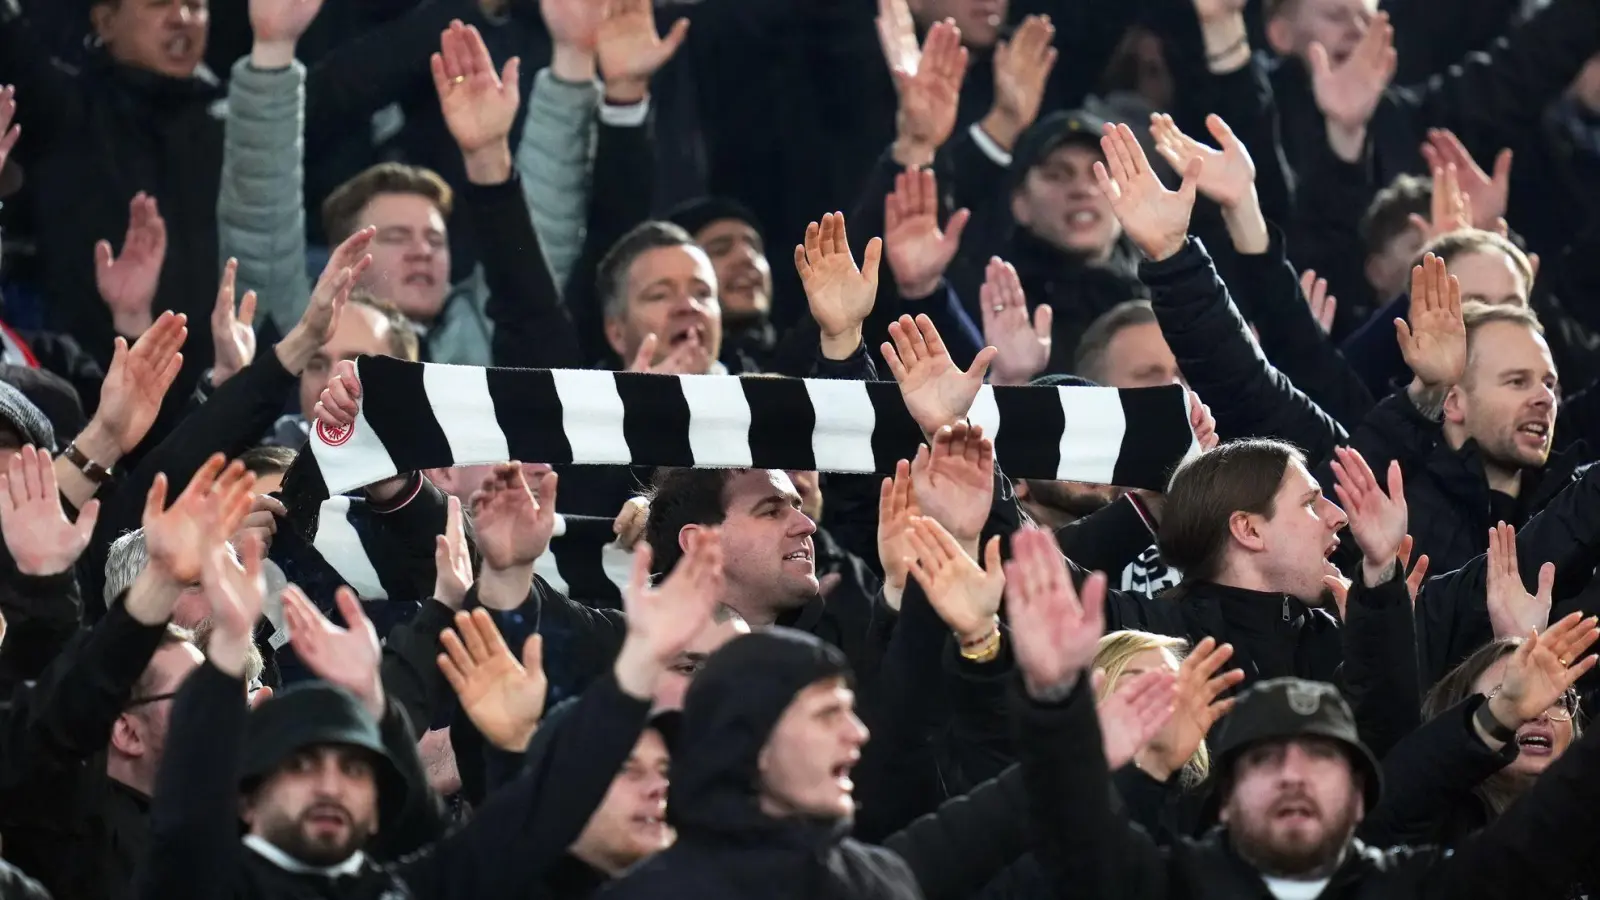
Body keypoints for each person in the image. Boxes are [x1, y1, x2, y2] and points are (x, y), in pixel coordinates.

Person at [134, 476, 728, 900]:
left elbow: (542, 811)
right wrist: (231, 641)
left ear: (378, 811)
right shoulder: (199, 878)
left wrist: (637, 669)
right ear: (245, 798)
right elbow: (188, 799)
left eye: (356, 771)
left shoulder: (411, 887)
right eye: (305, 766)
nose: (332, 787)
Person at [601, 628, 919, 899]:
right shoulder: (653, 893)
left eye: (849, 711)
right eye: (827, 714)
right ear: (753, 742)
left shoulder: (882, 879)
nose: (858, 733)